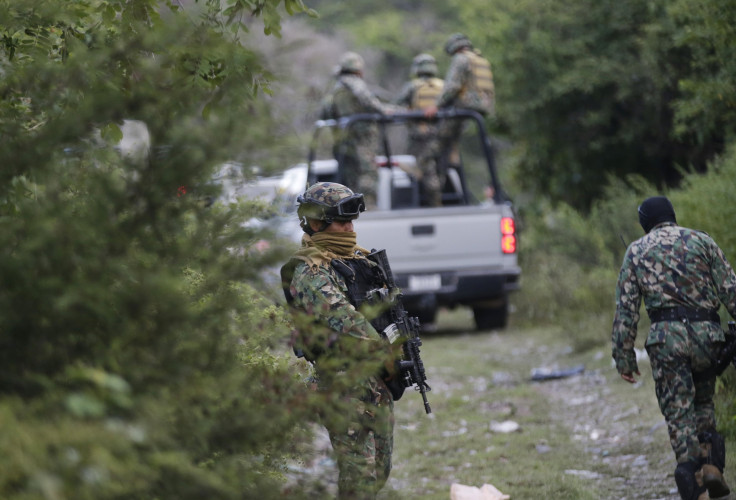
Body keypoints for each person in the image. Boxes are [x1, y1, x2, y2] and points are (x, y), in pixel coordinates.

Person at [280, 182, 402, 499]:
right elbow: (347, 322)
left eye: (352, 222)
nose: (349, 229)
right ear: (316, 222)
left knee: (378, 472)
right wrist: (382, 353)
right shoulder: (310, 271)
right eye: (342, 222)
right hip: (343, 386)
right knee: (359, 476)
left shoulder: (353, 260)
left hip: (375, 381)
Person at [612, 196, 733, 500]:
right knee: (704, 401)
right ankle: (710, 465)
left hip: (667, 340)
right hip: (708, 336)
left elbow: (626, 310)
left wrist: (624, 358)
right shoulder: (702, 241)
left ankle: (695, 482)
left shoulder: (636, 251)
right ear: (672, 216)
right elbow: (731, 290)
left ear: (644, 222)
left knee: (679, 412)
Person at [320, 52, 398, 207]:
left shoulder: (337, 88)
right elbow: (365, 98)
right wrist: (383, 110)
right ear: (358, 70)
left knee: (351, 177)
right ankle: (368, 208)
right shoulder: (354, 83)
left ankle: (353, 209)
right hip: (361, 139)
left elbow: (326, 111)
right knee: (368, 174)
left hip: (344, 140)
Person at [424, 33, 495, 177]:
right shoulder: (480, 60)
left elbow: (452, 86)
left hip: (464, 106)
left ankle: (428, 162)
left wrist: (436, 106)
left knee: (436, 141)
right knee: (452, 140)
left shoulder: (461, 59)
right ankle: (451, 159)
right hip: (482, 108)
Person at [395, 54, 445, 207]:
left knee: (425, 171)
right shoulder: (443, 85)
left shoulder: (413, 86)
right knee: (441, 169)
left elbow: (397, 105)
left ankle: (434, 204)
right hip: (443, 137)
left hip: (421, 137)